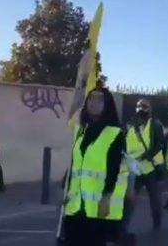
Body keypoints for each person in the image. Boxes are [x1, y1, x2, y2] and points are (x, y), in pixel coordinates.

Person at [63, 86, 128, 246]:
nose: (94, 102)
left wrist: (106, 197)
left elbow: (114, 169)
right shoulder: (82, 132)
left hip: (97, 208)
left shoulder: (115, 134)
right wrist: (65, 188)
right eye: (91, 98)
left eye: (100, 99)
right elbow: (76, 164)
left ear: (107, 105)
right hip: (76, 206)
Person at [125, 98, 165, 230]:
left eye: (144, 106)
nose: (141, 109)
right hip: (135, 170)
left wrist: (147, 155)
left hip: (150, 170)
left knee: (155, 199)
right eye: (139, 106)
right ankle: (122, 227)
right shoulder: (130, 126)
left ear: (149, 109)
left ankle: (157, 223)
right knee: (129, 200)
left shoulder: (155, 125)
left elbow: (160, 144)